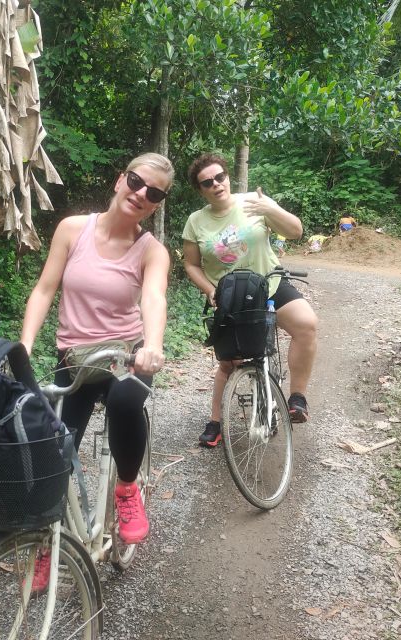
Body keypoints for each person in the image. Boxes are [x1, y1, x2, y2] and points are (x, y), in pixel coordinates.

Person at [20, 152, 172, 558]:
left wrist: (152, 345)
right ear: (121, 179)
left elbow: (154, 298)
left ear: (157, 204)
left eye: (154, 193)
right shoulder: (73, 229)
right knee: (55, 449)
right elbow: (44, 289)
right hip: (75, 357)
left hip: (126, 355)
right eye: (137, 182)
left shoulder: (151, 250)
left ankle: (126, 488)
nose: (141, 194)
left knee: (125, 401)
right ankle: (49, 547)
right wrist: (25, 346)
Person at [182, 152, 318, 447]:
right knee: (229, 363)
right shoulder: (196, 222)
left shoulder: (254, 202)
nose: (216, 184)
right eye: (207, 182)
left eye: (220, 177)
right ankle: (215, 422)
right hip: (229, 296)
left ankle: (296, 398)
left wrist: (270, 208)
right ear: (200, 190)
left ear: (227, 177)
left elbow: (295, 231)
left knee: (306, 325)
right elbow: (191, 264)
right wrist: (208, 289)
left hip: (269, 283)